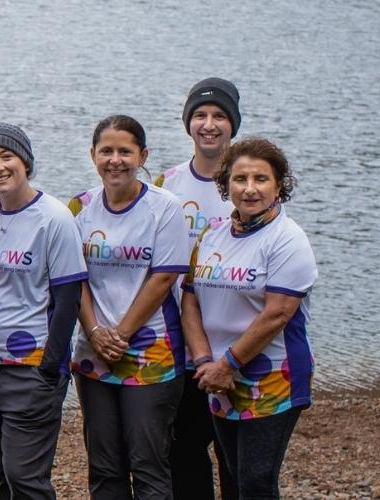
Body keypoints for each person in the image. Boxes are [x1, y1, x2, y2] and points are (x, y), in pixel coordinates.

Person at [0, 123, 87, 500]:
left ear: (25, 162)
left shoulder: (54, 218)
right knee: (0, 478)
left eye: (6, 156)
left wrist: (50, 367)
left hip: (30, 369)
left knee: (25, 479)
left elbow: (68, 299)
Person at [181, 138, 315, 500]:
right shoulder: (212, 235)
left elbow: (278, 314)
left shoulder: (288, 239)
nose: (250, 188)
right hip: (219, 374)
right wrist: (205, 361)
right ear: (226, 184)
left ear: (278, 185)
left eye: (261, 178)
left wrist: (228, 364)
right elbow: (190, 299)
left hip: (272, 374)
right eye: (240, 179)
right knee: (235, 477)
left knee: (256, 481)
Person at [66, 116, 192, 500]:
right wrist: (94, 332)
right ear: (93, 155)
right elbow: (75, 278)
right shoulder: (80, 207)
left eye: (125, 151)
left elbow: (163, 279)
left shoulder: (165, 207)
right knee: (104, 467)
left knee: (148, 464)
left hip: (151, 349)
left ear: (143, 155)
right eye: (107, 151)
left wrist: (119, 334)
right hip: (93, 351)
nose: (115, 160)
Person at [153, 77, 241, 498]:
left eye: (219, 116)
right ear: (188, 123)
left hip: (234, 340)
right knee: (182, 447)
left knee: (235, 453)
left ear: (233, 125)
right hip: (178, 343)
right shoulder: (167, 184)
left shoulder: (249, 186)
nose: (209, 124)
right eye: (200, 115)